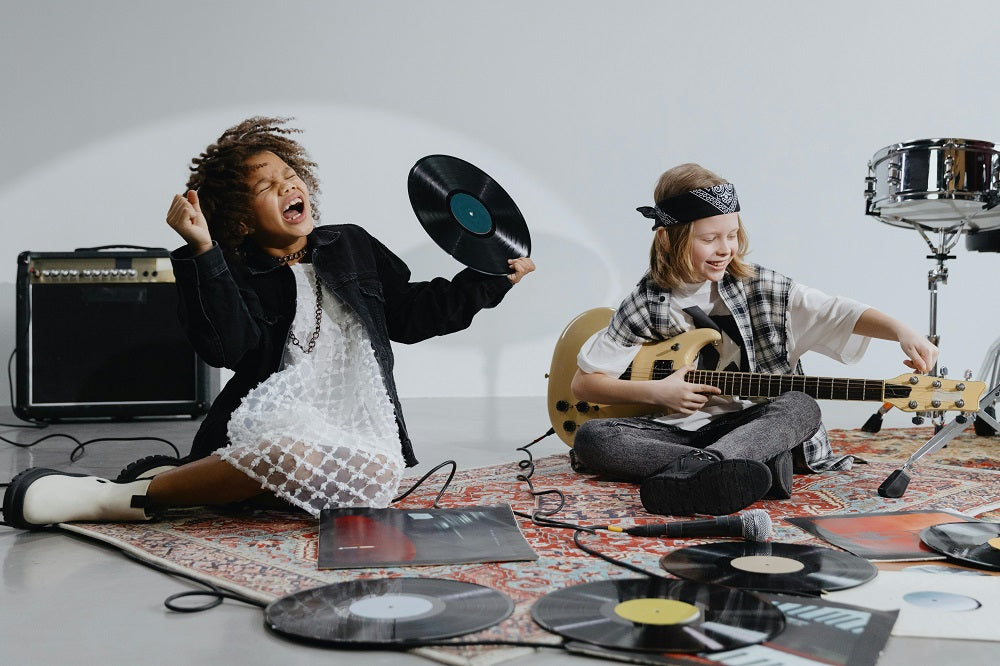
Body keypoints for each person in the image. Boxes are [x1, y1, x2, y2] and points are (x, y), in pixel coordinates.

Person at [3, 116, 535, 529]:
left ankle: (190, 481)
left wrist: (487, 281)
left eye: (290, 176)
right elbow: (227, 349)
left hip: (360, 424)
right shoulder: (232, 270)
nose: (287, 186)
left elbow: (411, 315)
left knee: (375, 480)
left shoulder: (352, 244)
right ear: (239, 216)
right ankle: (115, 498)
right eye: (266, 186)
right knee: (291, 456)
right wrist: (203, 251)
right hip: (275, 419)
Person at [570, 163, 936, 517]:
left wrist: (901, 331)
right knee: (592, 438)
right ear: (667, 239)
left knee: (800, 406)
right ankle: (749, 470)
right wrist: (658, 393)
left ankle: (707, 467)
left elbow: (835, 310)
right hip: (678, 432)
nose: (725, 249)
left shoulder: (761, 286)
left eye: (731, 235)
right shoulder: (646, 303)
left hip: (752, 427)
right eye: (709, 239)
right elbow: (585, 384)